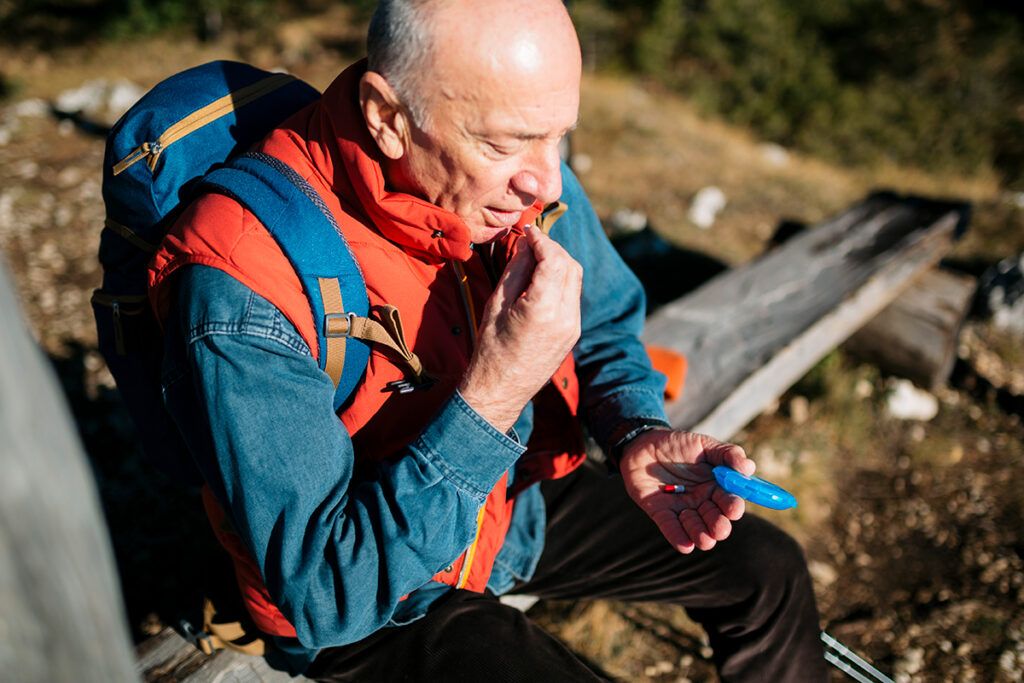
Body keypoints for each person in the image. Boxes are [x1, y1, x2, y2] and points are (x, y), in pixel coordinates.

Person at [148, 0, 829, 680]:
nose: (548, 180)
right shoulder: (245, 279)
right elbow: (328, 594)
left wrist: (634, 429)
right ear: (389, 118)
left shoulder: (517, 181)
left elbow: (604, 320)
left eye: (558, 135)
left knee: (767, 572)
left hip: (506, 509)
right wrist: (498, 389)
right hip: (378, 600)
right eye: (504, 144)